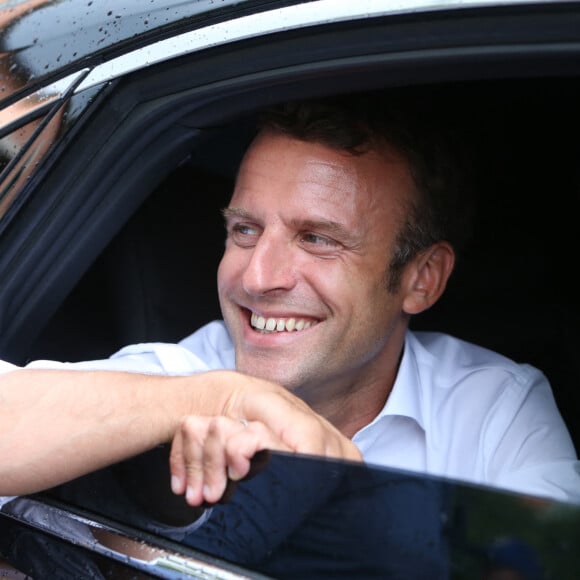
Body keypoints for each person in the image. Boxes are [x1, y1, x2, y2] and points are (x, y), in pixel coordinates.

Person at [0, 96, 578, 507]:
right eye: (245, 230)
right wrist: (227, 396)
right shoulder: (189, 375)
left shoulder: (492, 407)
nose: (259, 276)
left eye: (317, 239)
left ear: (421, 279)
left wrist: (341, 505)